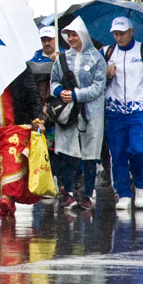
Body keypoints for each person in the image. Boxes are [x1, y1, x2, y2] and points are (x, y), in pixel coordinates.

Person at [102, 17, 143, 211]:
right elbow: (97, 82)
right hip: (114, 111)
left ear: (131, 31)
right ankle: (122, 192)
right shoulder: (106, 52)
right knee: (118, 152)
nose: (119, 37)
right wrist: (106, 75)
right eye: (115, 33)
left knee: (137, 149)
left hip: (139, 110)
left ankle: (140, 185)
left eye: (122, 33)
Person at [50, 19, 108, 211]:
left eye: (75, 34)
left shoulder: (97, 59)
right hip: (68, 113)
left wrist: (76, 95)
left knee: (90, 153)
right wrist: (60, 93)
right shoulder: (62, 59)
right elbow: (54, 82)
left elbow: (98, 87)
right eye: (69, 35)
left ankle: (88, 193)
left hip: (92, 112)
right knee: (66, 150)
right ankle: (68, 193)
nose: (72, 38)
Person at [0, 67, 45, 216]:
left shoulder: (17, 63)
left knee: (10, 161)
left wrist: (38, 117)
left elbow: (32, 91)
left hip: (15, 124)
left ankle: (7, 197)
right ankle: (7, 201)